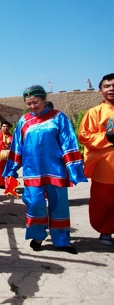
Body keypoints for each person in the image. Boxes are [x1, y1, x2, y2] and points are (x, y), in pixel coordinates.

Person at [3, 85, 87, 254]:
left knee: (59, 205)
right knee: (34, 203)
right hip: (32, 171)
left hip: (56, 169)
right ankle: (38, 235)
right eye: (29, 103)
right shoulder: (24, 121)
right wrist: (12, 170)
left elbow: (68, 142)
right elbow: (17, 146)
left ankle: (62, 240)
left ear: (44, 100)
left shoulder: (58, 118)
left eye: (36, 102)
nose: (33, 106)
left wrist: (73, 167)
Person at [78, 73, 114, 245]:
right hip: (105, 165)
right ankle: (105, 230)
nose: (111, 89)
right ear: (100, 91)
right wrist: (107, 137)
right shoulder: (94, 113)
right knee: (103, 200)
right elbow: (84, 136)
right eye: (107, 86)